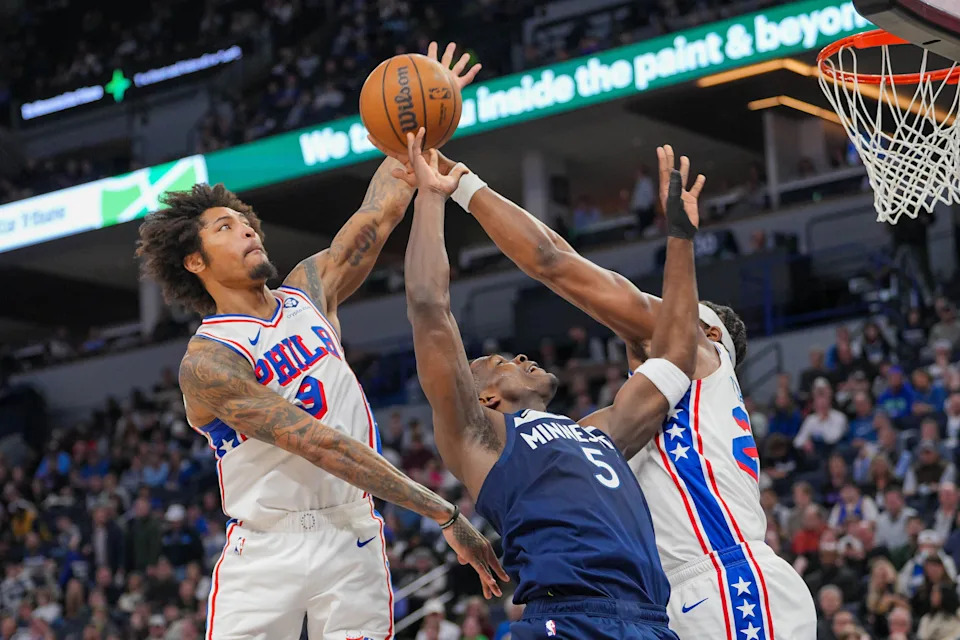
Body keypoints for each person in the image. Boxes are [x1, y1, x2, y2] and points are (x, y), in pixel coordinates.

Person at [134, 43, 501, 639]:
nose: (247, 230)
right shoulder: (208, 361)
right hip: (265, 551)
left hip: (352, 534)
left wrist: (423, 124)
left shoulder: (310, 290)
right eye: (225, 227)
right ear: (195, 262)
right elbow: (318, 444)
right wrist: (442, 510)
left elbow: (381, 210)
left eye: (246, 221)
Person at [386, 140, 817, 638]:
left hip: (726, 581)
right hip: (661, 606)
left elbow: (553, 261)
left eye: (667, 309)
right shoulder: (592, 430)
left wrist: (461, 186)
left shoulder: (697, 353)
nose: (644, 313)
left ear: (707, 333)